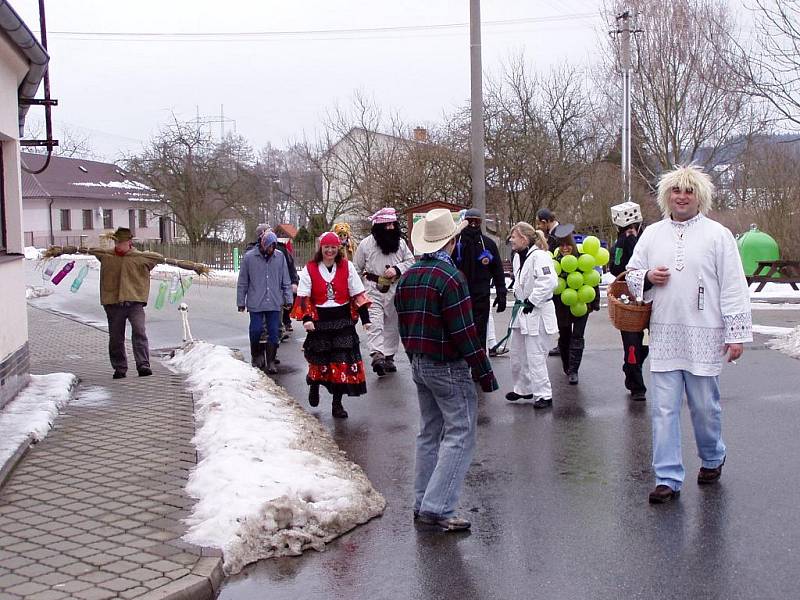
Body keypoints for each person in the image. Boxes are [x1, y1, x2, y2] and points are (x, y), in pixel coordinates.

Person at [625, 165, 752, 504]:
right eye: (676, 191)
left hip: (705, 334)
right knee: (663, 410)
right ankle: (667, 477)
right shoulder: (651, 234)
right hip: (665, 335)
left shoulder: (717, 235)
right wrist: (648, 276)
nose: (682, 197)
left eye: (689, 191)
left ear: (700, 197)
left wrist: (736, 333)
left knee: (704, 408)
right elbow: (632, 275)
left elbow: (734, 287)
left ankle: (712, 457)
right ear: (667, 196)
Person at [395, 208, 498, 532]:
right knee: (460, 433)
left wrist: (413, 357)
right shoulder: (452, 279)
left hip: (420, 363)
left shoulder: (409, 277)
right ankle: (438, 506)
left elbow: (404, 326)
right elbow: (465, 333)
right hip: (447, 367)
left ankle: (424, 500)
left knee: (429, 432)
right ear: (451, 241)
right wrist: (485, 373)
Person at [43, 227, 209, 379]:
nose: (118, 245)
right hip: (112, 302)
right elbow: (82, 251)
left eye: (121, 242)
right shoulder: (106, 256)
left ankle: (143, 364)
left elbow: (164, 260)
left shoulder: (143, 258)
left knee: (139, 331)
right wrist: (61, 251)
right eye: (116, 242)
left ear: (129, 242)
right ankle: (120, 368)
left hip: (135, 301)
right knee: (116, 337)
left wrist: (193, 266)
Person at [291, 232, 372, 419]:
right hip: (319, 322)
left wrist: (365, 319)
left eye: (333, 247)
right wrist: (307, 319)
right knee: (319, 361)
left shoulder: (347, 267)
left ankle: (337, 404)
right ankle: (314, 385)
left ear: (338, 248)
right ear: (321, 248)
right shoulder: (310, 269)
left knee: (341, 364)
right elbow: (303, 296)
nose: (330, 250)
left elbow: (357, 292)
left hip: (342, 321)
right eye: (326, 247)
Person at [353, 207, 415, 376]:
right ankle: (377, 355)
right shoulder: (366, 244)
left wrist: (397, 269)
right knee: (375, 323)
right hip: (373, 289)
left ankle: (388, 357)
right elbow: (356, 268)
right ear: (378, 227)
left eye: (392, 224)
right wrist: (357, 292)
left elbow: (410, 261)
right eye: (386, 225)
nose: (390, 228)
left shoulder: (401, 244)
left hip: (395, 290)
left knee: (392, 326)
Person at [505, 223, 558, 409]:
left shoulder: (540, 256)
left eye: (513, 236)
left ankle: (544, 394)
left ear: (524, 239)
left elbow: (549, 281)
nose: (510, 240)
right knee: (517, 353)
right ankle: (523, 388)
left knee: (536, 355)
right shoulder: (519, 258)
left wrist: (533, 300)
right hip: (523, 311)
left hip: (538, 310)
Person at [237, 231, 294, 374]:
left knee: (274, 332)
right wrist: (241, 302)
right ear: (263, 244)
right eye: (269, 246)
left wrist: (288, 299)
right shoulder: (250, 258)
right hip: (256, 301)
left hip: (274, 302)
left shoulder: (279, 257)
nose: (272, 249)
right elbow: (243, 281)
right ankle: (256, 355)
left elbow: (285, 280)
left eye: (274, 246)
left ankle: (271, 361)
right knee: (256, 330)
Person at [451, 208, 507, 350]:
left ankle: (479, 366)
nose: (474, 225)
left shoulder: (488, 244)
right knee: (460, 332)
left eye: (477, 222)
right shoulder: (455, 244)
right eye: (470, 222)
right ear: (464, 222)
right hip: (459, 295)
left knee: (480, 332)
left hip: (481, 296)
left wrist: (501, 292)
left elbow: (498, 270)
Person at [609, 202, 648, 401]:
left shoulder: (648, 241)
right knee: (632, 345)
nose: (631, 231)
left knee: (646, 346)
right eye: (627, 229)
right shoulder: (619, 245)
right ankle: (636, 385)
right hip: (628, 299)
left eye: (634, 228)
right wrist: (626, 244)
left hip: (650, 298)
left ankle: (631, 367)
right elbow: (616, 268)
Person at [552, 223, 600, 385]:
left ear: (572, 245)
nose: (565, 248)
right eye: (562, 245)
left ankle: (574, 370)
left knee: (578, 336)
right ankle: (567, 365)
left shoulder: (583, 259)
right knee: (565, 336)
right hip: (562, 305)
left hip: (581, 304)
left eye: (568, 245)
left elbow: (593, 280)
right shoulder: (555, 261)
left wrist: (595, 302)